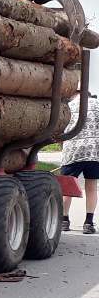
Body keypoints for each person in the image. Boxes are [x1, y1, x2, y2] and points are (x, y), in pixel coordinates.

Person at [61, 92, 99, 234]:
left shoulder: (68, 107)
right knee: (91, 187)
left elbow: (60, 129)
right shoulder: (97, 105)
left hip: (72, 151)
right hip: (93, 152)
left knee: (67, 187)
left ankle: (64, 220)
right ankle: (88, 223)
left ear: (75, 95)